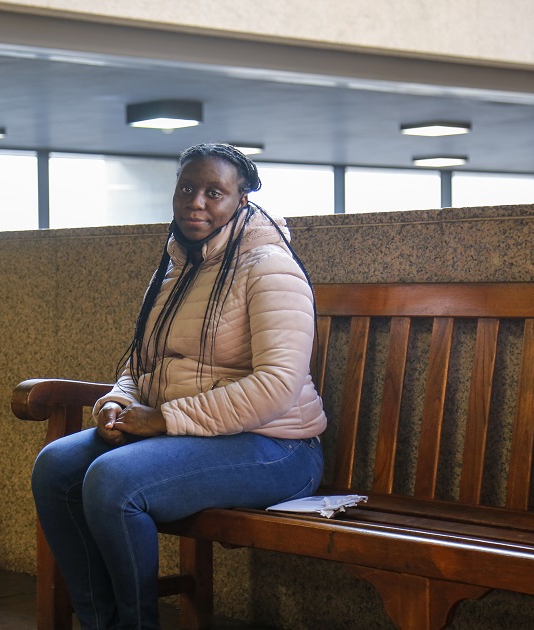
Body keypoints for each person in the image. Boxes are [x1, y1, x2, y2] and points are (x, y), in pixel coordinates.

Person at [31, 142, 327, 629]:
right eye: (187, 188)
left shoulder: (270, 267)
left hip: (276, 448)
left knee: (114, 480)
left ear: (242, 203)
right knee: (56, 467)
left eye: (215, 192)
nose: (197, 202)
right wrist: (119, 402)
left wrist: (165, 419)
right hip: (190, 435)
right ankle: (98, 622)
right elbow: (140, 360)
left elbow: (277, 384)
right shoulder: (176, 267)